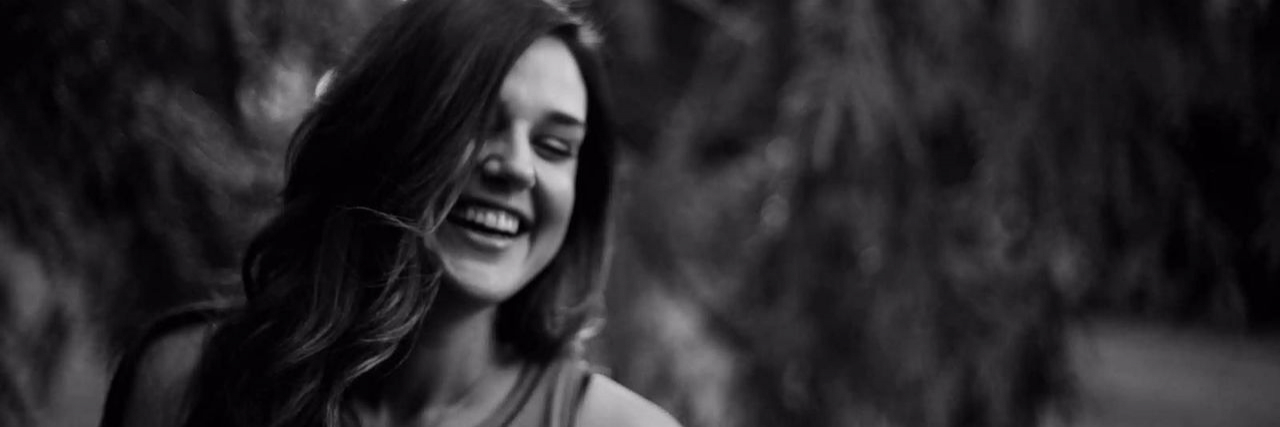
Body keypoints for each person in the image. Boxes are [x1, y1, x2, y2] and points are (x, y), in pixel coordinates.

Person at [101, 0, 681, 426]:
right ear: (387, 133)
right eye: (477, 121)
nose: (518, 168)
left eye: (555, 147)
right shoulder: (183, 382)